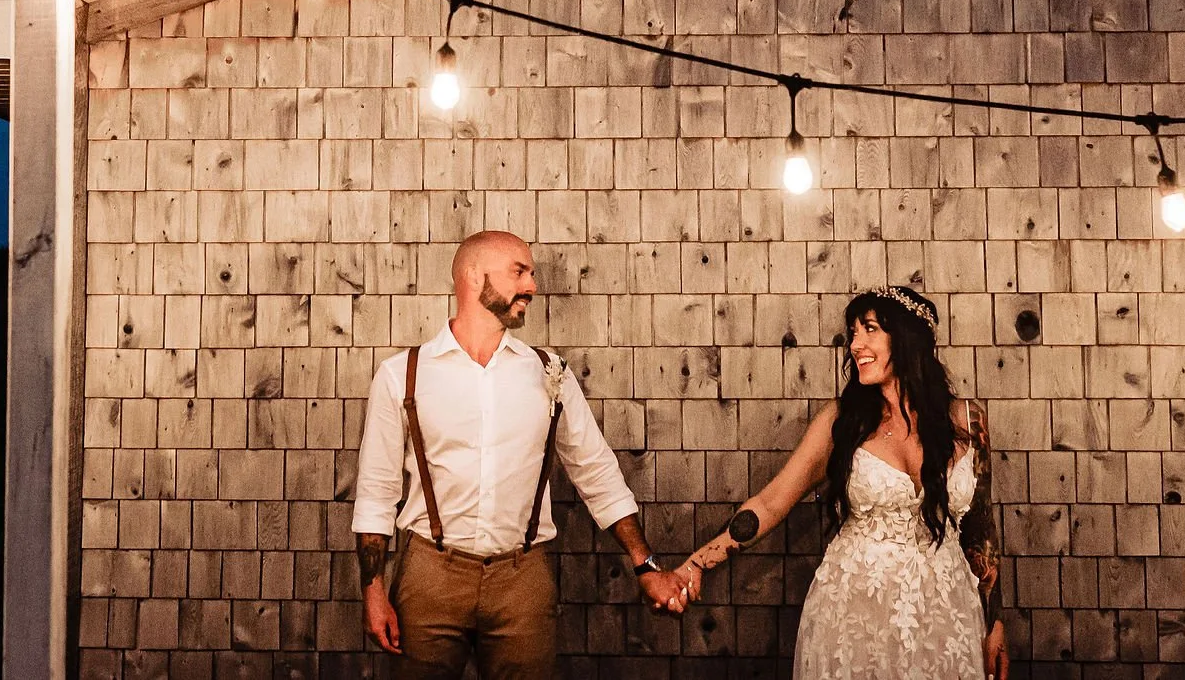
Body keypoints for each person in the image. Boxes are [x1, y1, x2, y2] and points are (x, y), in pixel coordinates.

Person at [351, 230, 692, 679]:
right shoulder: (402, 375)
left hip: (522, 578)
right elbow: (377, 493)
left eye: (531, 274)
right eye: (520, 272)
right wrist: (374, 592)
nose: (532, 285)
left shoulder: (549, 372)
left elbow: (597, 474)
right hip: (429, 576)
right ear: (474, 276)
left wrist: (645, 564)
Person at [675, 285, 1008, 679]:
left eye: (869, 329)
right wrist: (696, 564)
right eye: (852, 332)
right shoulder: (842, 423)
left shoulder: (968, 421)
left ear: (907, 340)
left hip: (948, 612)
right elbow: (771, 503)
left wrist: (995, 623)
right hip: (855, 614)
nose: (855, 344)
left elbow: (980, 528)